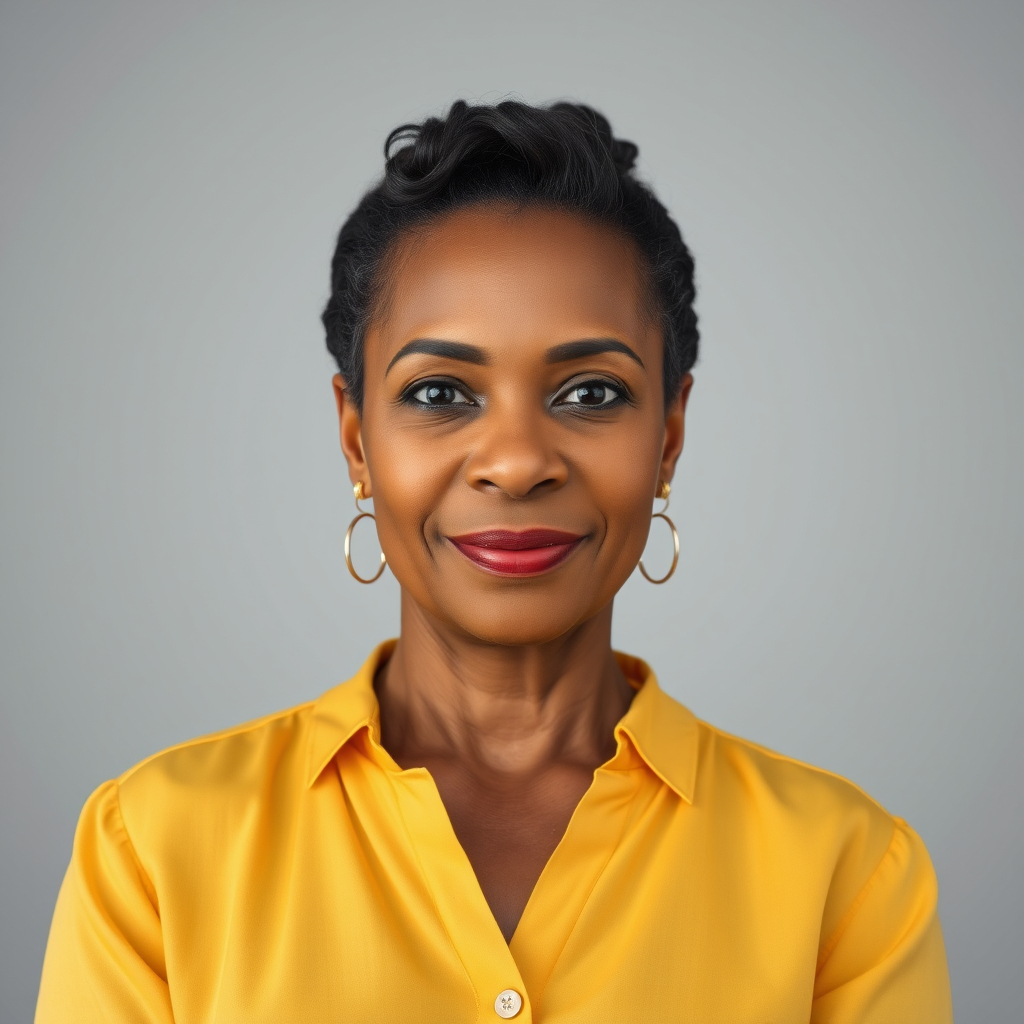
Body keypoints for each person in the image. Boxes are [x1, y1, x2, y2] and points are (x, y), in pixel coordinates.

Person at [35, 100, 953, 1023]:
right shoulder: (152, 848)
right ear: (356, 439)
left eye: (592, 392)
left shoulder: (845, 870)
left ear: (669, 436)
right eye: (440, 392)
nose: (517, 463)